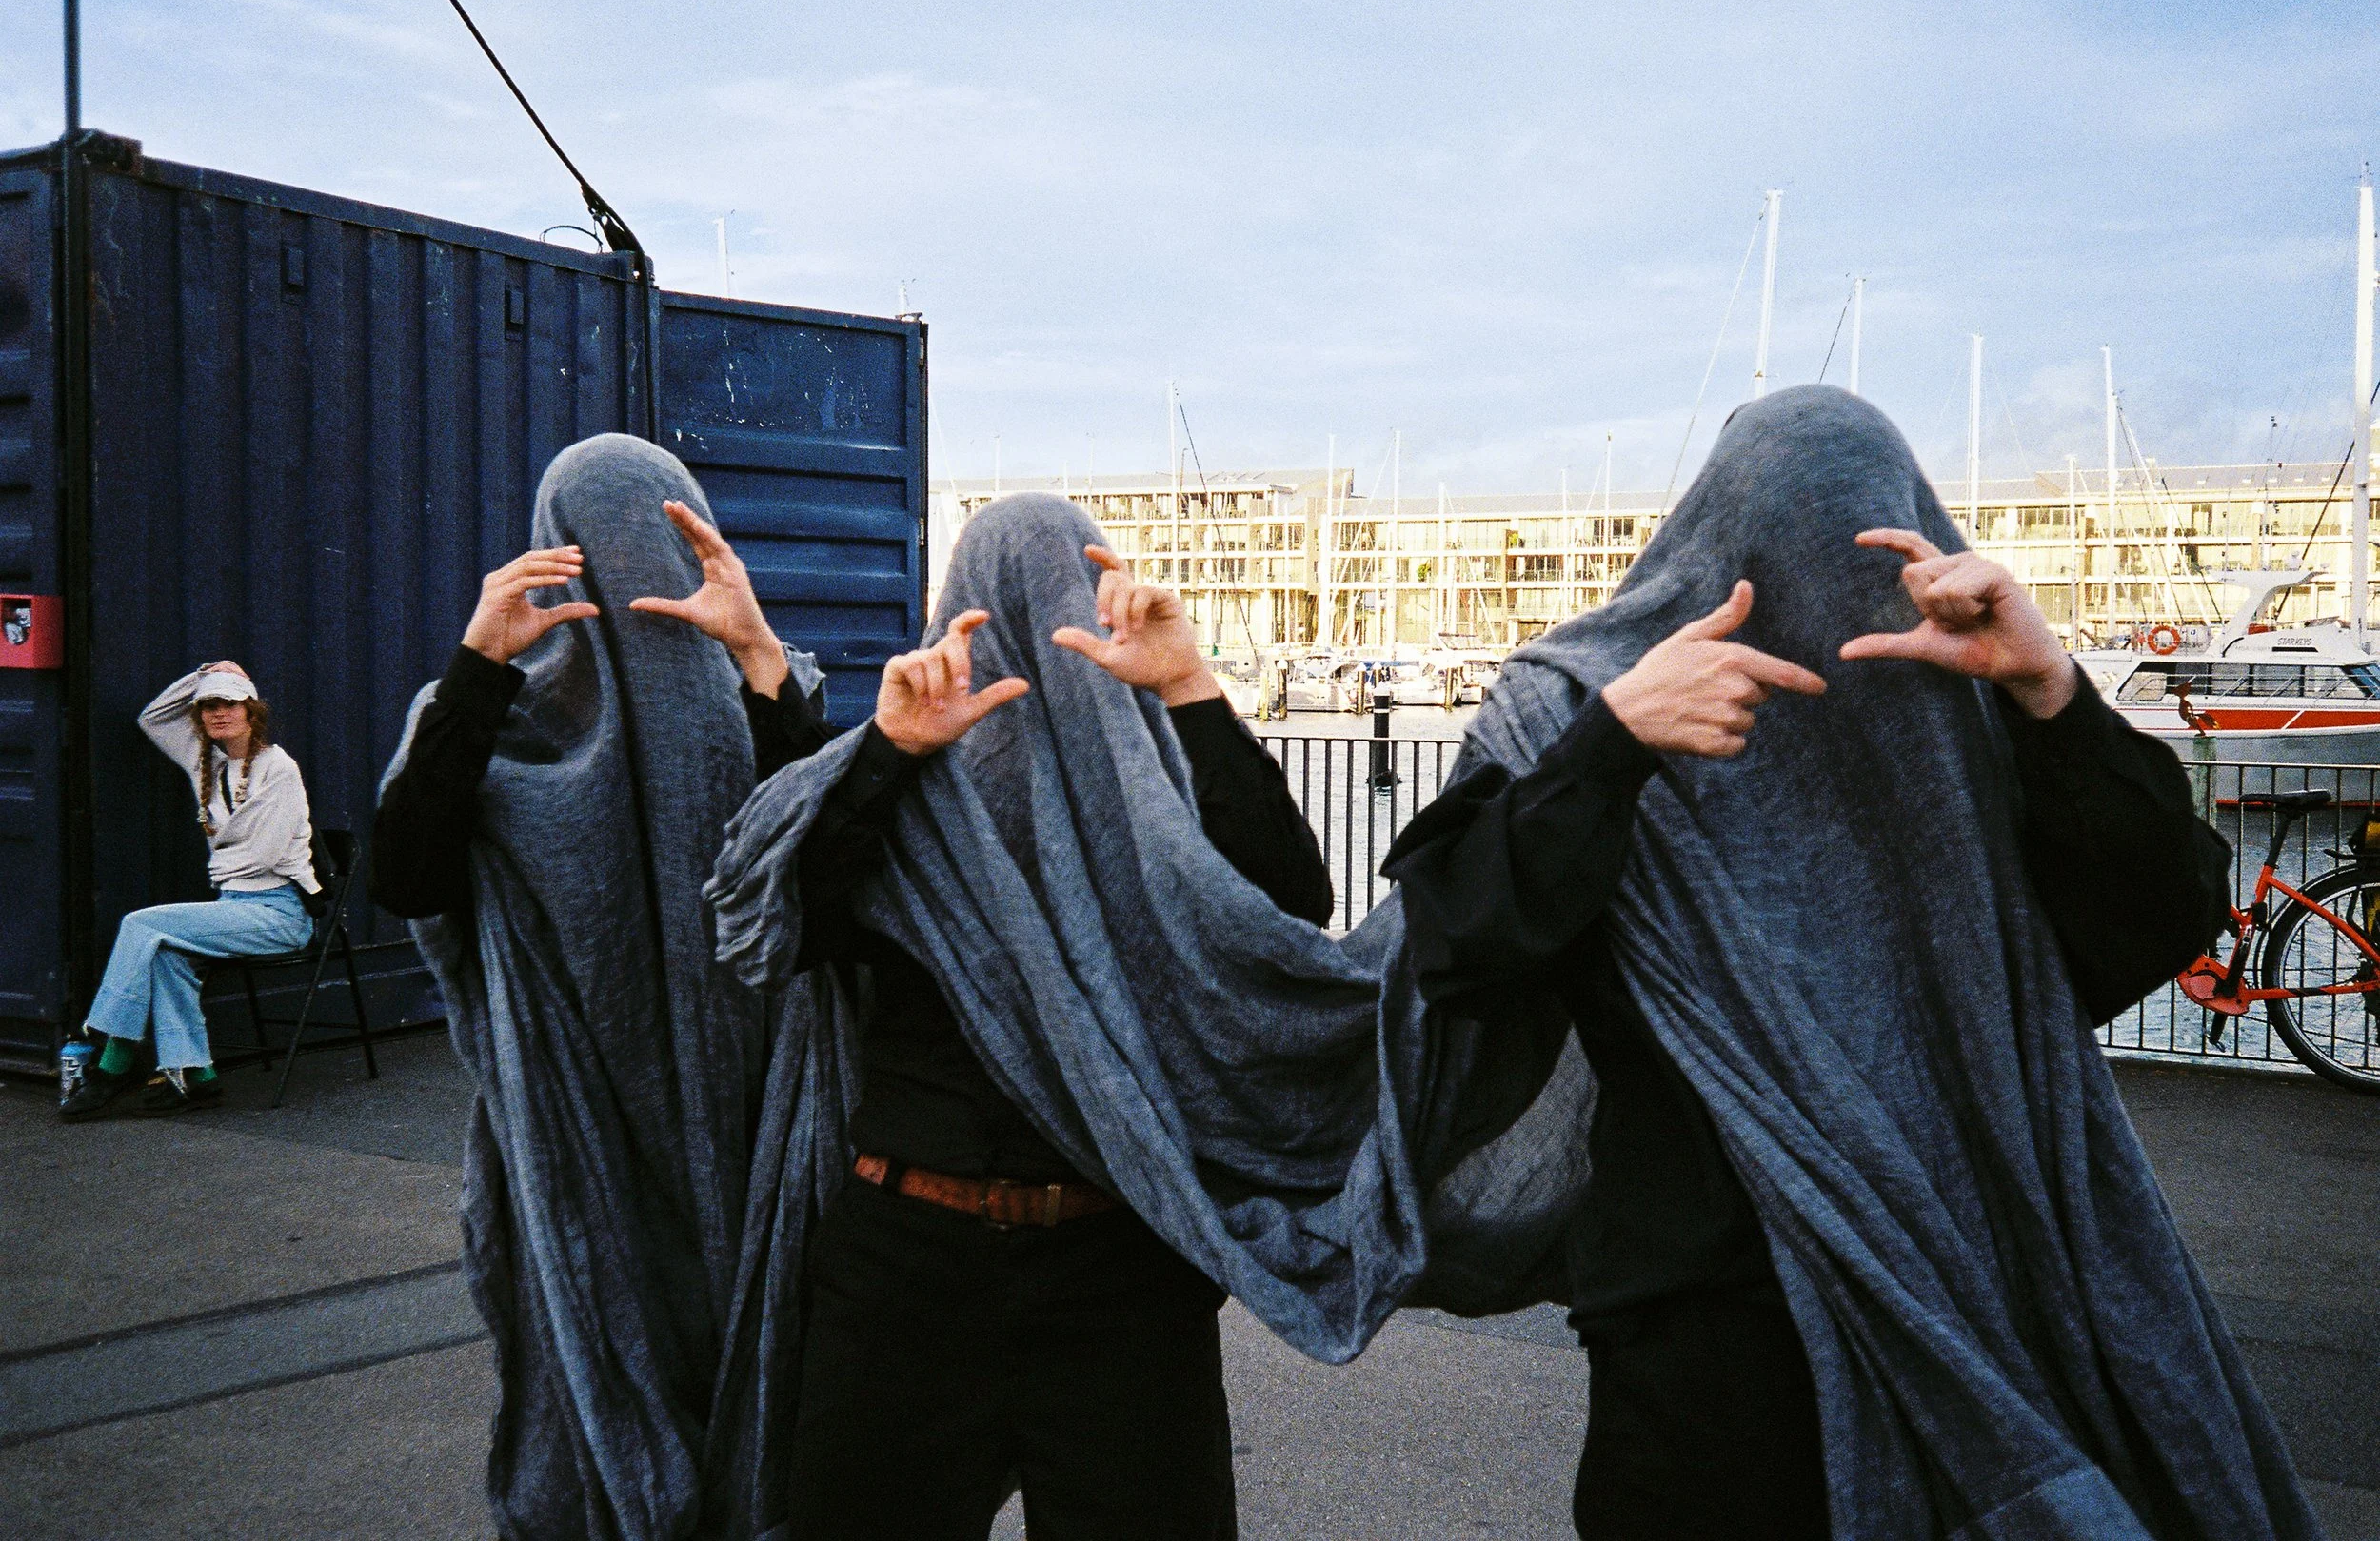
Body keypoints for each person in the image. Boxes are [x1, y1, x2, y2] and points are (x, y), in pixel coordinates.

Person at [1385, 386, 2313, 1539]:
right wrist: (1610, 748)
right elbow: (1458, 946)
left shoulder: (1957, 707)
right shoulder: (1584, 700)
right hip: (1702, 1324)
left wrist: (2051, 691)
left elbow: (2155, 917)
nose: (1818, 567)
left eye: (1861, 528)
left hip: (1962, 1282)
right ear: (1715, 536)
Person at [776, 523, 1331, 1538]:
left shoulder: (1150, 793)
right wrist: (890, 753)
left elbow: (1289, 909)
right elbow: (787, 930)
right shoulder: (902, 777)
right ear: (957, 615)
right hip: (908, 1260)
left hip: (1117, 1262)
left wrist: (1189, 685)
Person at [373, 432, 828, 1540]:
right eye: (602, 547)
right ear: (554, 555)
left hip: (751, 1119)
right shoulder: (491, 718)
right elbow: (406, 874)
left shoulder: (768, 686)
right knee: (591, 1404)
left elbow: (823, 880)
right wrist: (480, 665)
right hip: (579, 1123)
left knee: (767, 1394)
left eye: (661, 545)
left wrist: (760, 656)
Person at [63, 662, 321, 1120]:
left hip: (280, 913)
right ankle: (198, 1076)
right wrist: (205, 673)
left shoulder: (278, 768)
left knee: (140, 925)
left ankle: (112, 1062)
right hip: (233, 908)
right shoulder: (208, 763)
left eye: (228, 704)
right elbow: (153, 718)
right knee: (164, 954)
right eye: (207, 706)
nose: (218, 713)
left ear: (251, 711)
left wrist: (220, 860)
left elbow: (262, 857)